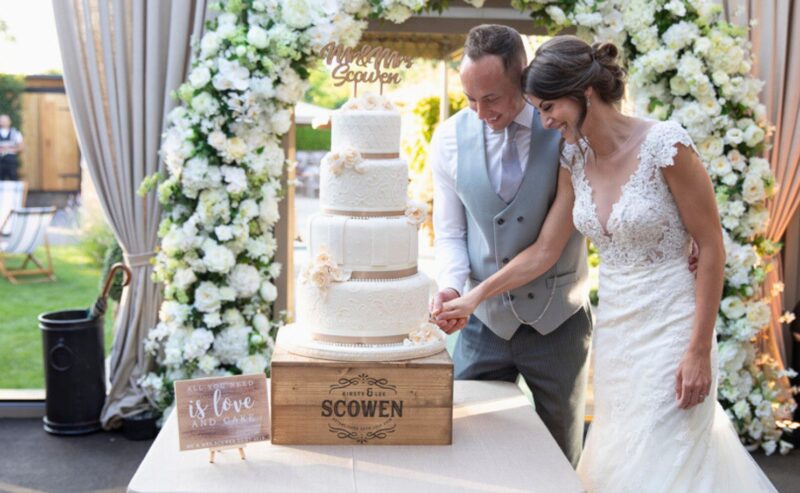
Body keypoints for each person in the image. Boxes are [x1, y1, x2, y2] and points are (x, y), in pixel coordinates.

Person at [436, 35, 778, 492]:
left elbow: (711, 245)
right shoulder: (574, 157)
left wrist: (698, 350)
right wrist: (471, 297)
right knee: (622, 452)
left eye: (549, 107)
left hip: (673, 328)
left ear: (586, 93)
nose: (544, 121)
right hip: (619, 335)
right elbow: (543, 250)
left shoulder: (666, 145)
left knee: (668, 453)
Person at [428, 24, 593, 467]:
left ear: (522, 76)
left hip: (559, 321)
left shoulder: (566, 130)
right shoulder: (446, 140)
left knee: (561, 453)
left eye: (492, 98)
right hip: (484, 326)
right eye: (470, 100)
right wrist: (450, 287)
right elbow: (450, 233)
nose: (481, 111)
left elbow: (552, 243)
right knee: (465, 444)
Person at [0, 114, 23, 181]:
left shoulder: (15, 133)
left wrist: (9, 150)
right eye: (2, 120)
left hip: (11, 160)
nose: (3, 122)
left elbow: (21, 147)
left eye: (5, 120)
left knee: (13, 178)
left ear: (10, 122)